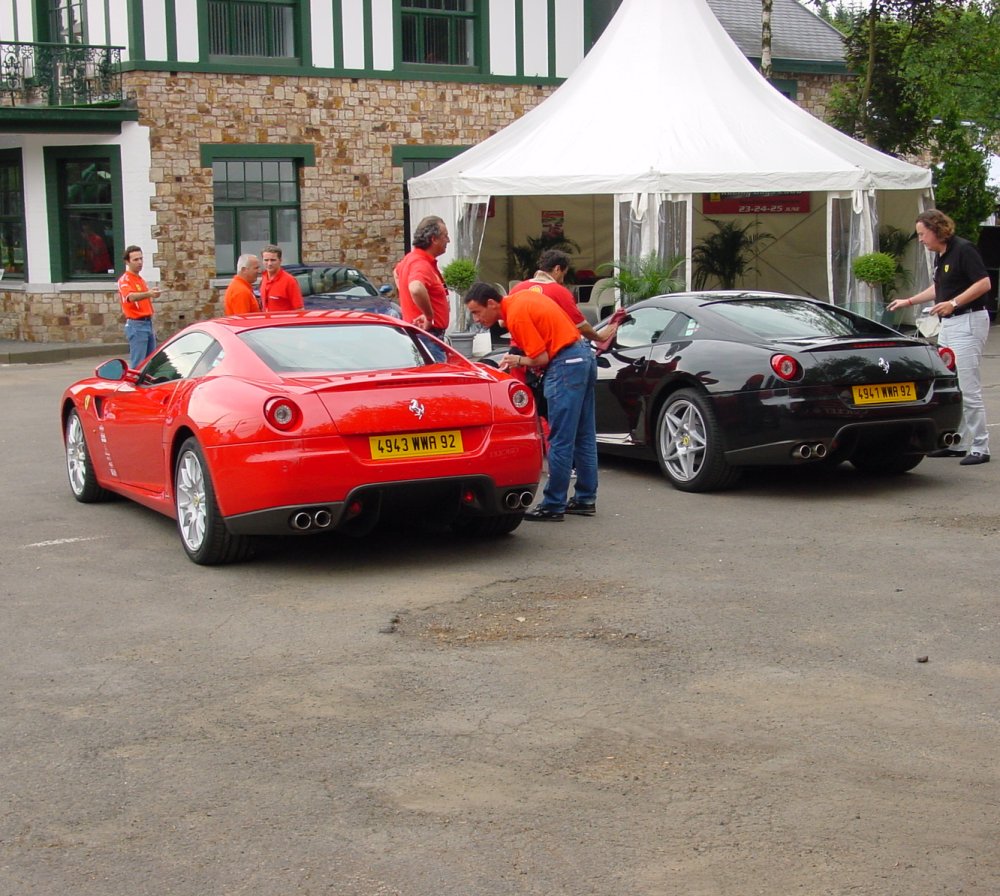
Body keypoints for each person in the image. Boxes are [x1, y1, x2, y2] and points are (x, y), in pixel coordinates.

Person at [465, 281, 598, 521]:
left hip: (565, 363)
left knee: (560, 439)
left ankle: (554, 504)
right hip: (583, 357)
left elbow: (540, 357)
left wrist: (517, 361)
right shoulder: (522, 300)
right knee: (584, 435)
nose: (476, 318)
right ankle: (585, 498)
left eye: (477, 311)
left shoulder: (516, 314)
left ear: (492, 303)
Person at [887, 209, 992, 465]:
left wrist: (953, 303)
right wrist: (909, 300)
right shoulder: (942, 255)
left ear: (936, 230)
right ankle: (959, 442)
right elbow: (939, 286)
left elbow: (984, 283)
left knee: (968, 385)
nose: (921, 239)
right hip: (949, 323)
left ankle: (980, 446)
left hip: (967, 320)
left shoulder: (964, 250)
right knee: (952, 383)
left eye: (923, 234)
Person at [509, 249, 621, 344]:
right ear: (557, 269)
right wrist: (599, 337)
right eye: (564, 274)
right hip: (548, 354)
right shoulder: (559, 292)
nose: (562, 280)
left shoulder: (517, 288)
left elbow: (503, 322)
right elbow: (580, 325)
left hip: (519, 350)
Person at [394, 215, 450, 362]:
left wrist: (406, 297)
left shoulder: (412, 258)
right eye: (445, 236)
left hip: (424, 336)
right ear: (434, 239)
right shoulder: (420, 263)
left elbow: (396, 273)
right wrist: (429, 316)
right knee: (438, 381)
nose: (448, 241)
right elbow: (416, 288)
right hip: (428, 337)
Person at [117, 245, 160, 369]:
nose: (140, 262)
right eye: (136, 260)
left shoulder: (140, 279)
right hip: (137, 325)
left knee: (150, 363)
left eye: (141, 259)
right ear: (127, 262)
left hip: (148, 323)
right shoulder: (124, 280)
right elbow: (130, 297)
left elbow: (142, 297)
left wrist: (152, 293)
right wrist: (149, 293)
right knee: (138, 364)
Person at [259, 244, 304, 311]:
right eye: (266, 260)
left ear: (280, 261)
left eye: (273, 260)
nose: (269, 264)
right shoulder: (264, 278)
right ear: (262, 261)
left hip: (284, 320)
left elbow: (299, 309)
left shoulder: (289, 281)